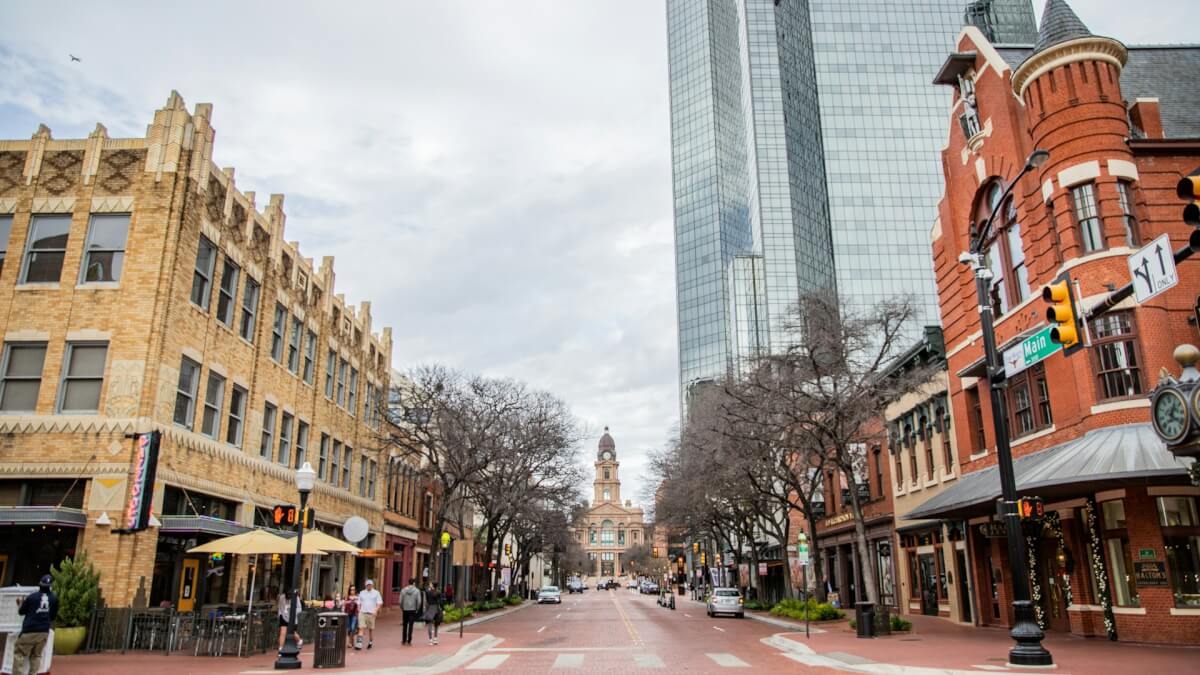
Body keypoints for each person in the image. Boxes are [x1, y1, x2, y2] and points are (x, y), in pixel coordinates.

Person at [13, 575, 57, 675]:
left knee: (19, 653)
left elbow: (21, 611)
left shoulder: (32, 597)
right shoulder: (54, 599)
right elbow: (53, 616)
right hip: (44, 631)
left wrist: (20, 603)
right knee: (36, 655)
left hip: (30, 630)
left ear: (40, 584)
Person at [357, 579, 383, 649]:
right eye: (368, 585)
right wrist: (359, 610)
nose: (369, 586)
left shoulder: (376, 593)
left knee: (370, 630)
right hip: (363, 613)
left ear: (372, 585)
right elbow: (359, 602)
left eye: (370, 585)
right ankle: (359, 644)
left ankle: (370, 642)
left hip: (371, 614)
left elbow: (379, 603)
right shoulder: (362, 592)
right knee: (361, 628)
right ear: (365, 585)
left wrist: (376, 611)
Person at [399, 578, 423, 646]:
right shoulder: (417, 591)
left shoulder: (403, 590)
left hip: (405, 609)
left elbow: (400, 601)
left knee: (405, 625)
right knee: (411, 625)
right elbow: (419, 601)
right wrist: (417, 609)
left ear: (408, 583)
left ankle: (403, 640)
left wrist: (402, 607)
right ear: (414, 583)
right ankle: (409, 640)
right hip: (413, 610)